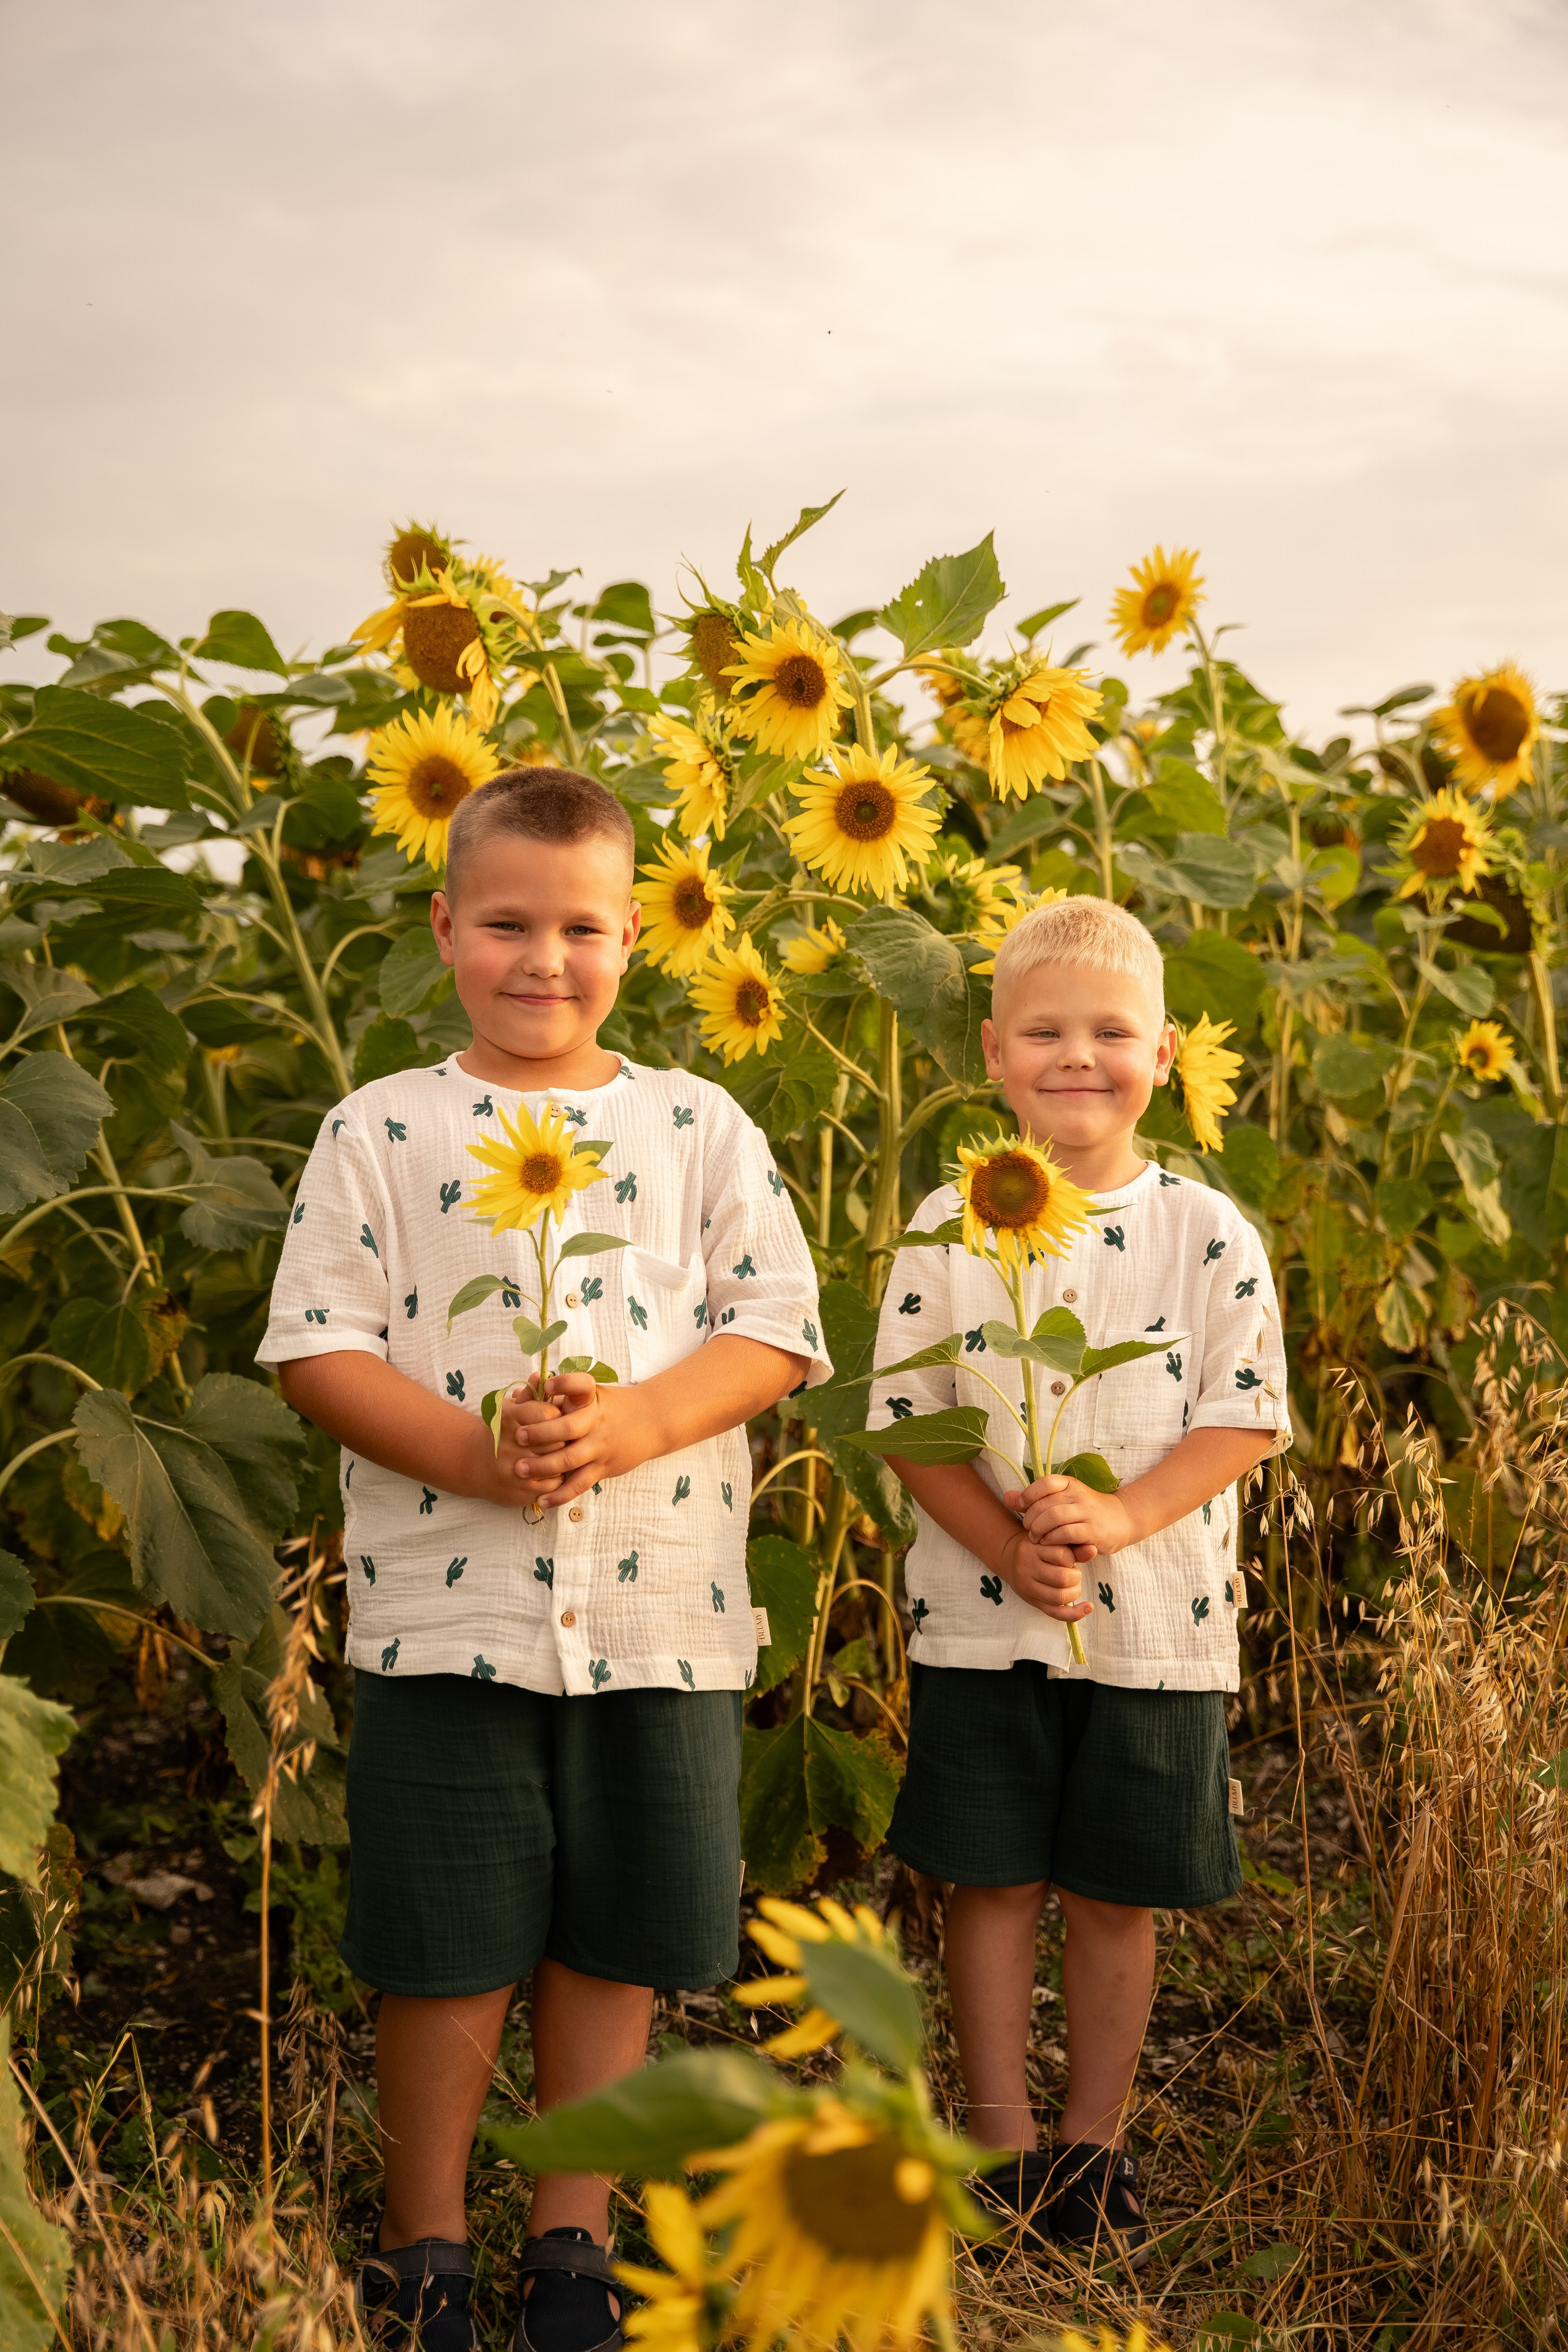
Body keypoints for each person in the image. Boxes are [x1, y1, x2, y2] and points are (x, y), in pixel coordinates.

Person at [258, 766, 828, 2352]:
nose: (543, 959)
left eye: (581, 927)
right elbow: (317, 1344)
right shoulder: (382, 1129)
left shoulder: (696, 1124)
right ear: (444, 925)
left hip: (663, 1613)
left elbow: (776, 1328)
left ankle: (570, 2231)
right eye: (507, 923)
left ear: (634, 939)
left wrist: (637, 1423)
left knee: (622, 1926)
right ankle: (423, 2232)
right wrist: (469, 1451)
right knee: (445, 1936)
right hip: (449, 1615)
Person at [868, 895, 1289, 2261]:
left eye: (1109, 1032)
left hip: (1154, 1624)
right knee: (985, 1882)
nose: (1075, 1057)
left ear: (1162, 1055)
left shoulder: (1205, 1232)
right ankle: (994, 2137)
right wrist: (1003, 1544)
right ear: (990, 1052)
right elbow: (908, 1418)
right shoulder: (946, 1223)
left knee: (1114, 1890)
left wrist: (1116, 1520)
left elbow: (1244, 1414)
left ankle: (1091, 2146)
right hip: (974, 1621)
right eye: (1042, 1030)